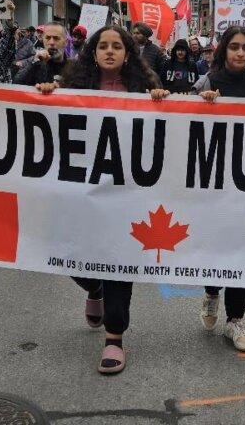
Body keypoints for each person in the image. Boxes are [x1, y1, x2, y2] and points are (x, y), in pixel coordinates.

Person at [35, 25, 167, 374]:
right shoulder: (73, 89)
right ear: (92, 53)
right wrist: (48, 93)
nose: (110, 51)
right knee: (72, 257)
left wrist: (164, 101)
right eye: (103, 46)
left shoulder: (146, 89)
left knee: (118, 263)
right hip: (82, 193)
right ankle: (93, 287)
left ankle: (114, 339)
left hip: (127, 194)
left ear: (128, 54)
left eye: (117, 46)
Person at [190, 26, 245, 352]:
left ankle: (235, 321)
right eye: (234, 47)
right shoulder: (207, 83)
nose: (240, 53)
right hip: (214, 184)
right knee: (217, 247)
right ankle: (212, 293)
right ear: (224, 51)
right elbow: (184, 125)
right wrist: (201, 105)